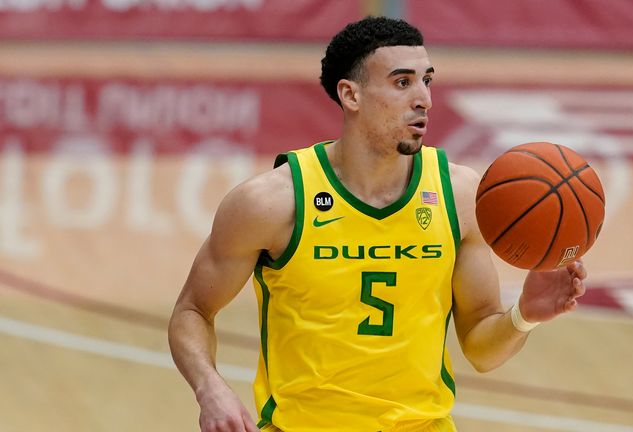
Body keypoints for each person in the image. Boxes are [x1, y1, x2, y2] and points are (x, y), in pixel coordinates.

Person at [168, 16, 587, 432]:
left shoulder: (458, 195)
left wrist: (524, 316)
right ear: (351, 95)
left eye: (428, 80)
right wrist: (210, 387)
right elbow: (192, 310)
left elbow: (481, 347)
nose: (423, 98)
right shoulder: (272, 203)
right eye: (402, 83)